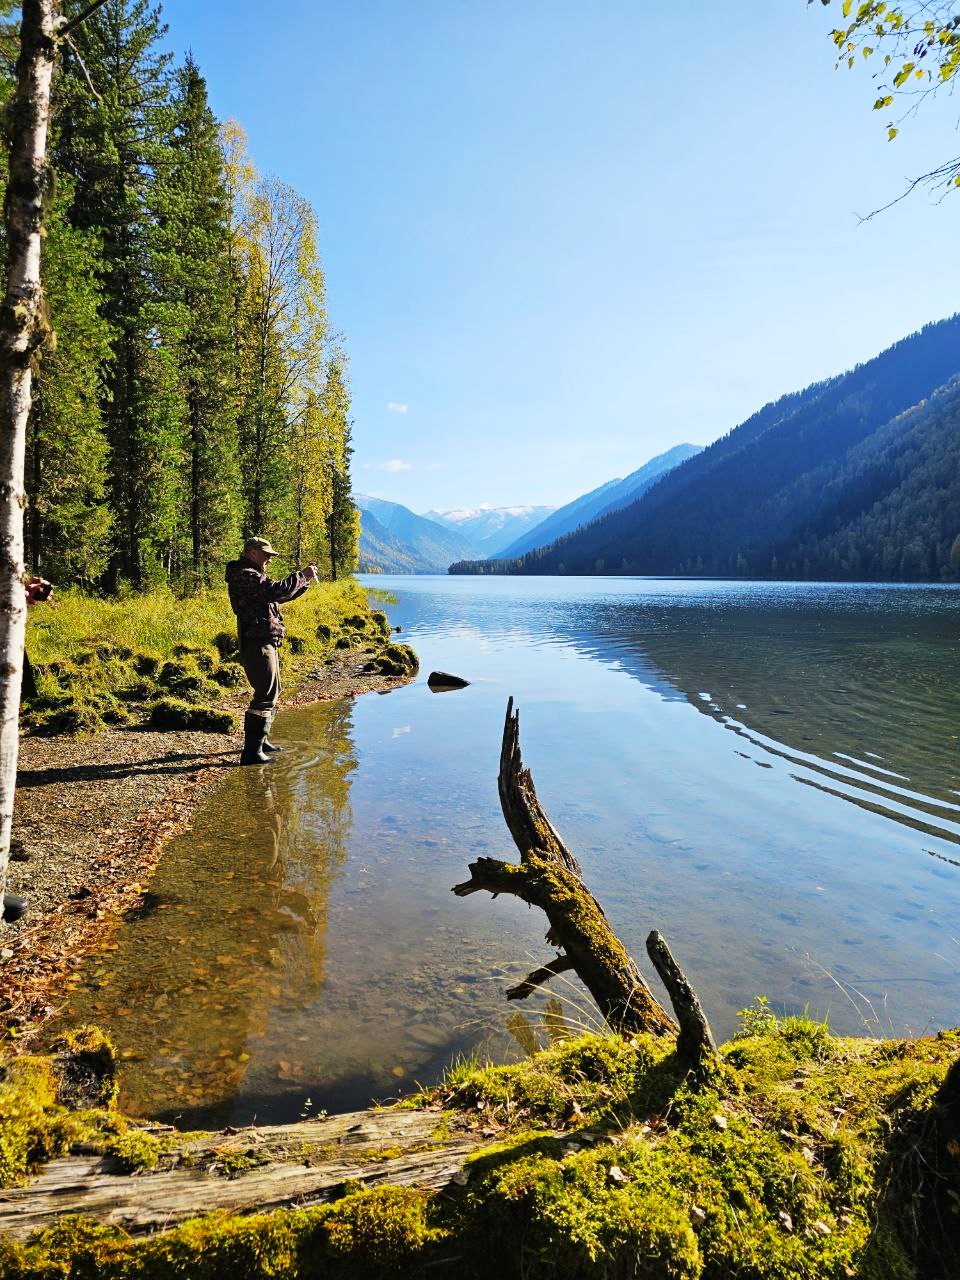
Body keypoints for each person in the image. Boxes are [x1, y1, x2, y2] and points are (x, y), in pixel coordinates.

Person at [225, 537, 318, 765]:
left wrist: (303, 582)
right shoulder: (245, 574)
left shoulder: (252, 573)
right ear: (252, 552)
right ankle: (251, 753)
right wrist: (302, 575)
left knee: (273, 691)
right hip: (256, 641)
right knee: (265, 695)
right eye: (266, 554)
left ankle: (261, 741)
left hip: (264, 639)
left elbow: (281, 595)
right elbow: (274, 591)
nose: (269, 559)